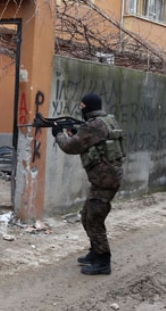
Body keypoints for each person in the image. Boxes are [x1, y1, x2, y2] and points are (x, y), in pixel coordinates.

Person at [52, 92, 125, 275]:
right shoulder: (106, 121)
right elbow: (95, 139)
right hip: (106, 178)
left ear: (88, 108)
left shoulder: (93, 125)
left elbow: (71, 147)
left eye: (83, 107)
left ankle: (103, 261)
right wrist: (77, 133)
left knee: (94, 219)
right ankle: (95, 252)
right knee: (86, 216)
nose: (81, 111)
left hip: (105, 181)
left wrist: (58, 134)